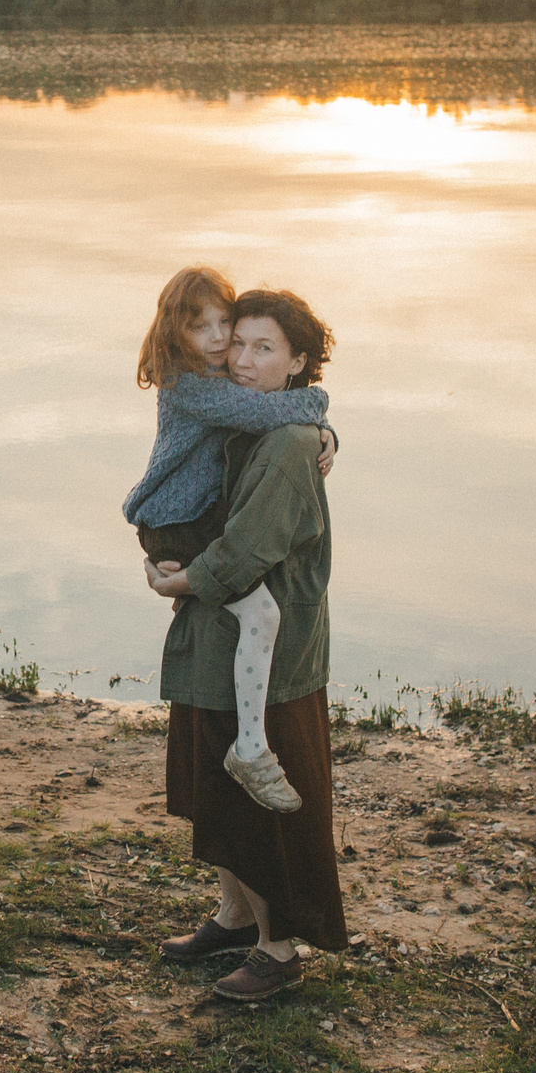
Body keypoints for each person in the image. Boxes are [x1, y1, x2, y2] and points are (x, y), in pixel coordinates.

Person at [146, 288, 350, 1002]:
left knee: (256, 807)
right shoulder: (241, 417)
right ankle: (235, 916)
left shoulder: (291, 443)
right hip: (220, 635)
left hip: (270, 654)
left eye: (264, 347)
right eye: (238, 341)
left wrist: (176, 581)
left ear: (297, 363)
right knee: (214, 785)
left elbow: (246, 551)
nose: (241, 357)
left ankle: (278, 947)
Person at [123, 265, 336, 813]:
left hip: (193, 516)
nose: (221, 341)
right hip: (178, 521)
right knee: (261, 614)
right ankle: (251, 747)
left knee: (253, 614)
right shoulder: (188, 383)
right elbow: (259, 411)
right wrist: (319, 409)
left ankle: (249, 745)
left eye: (227, 325)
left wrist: (325, 432)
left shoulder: (215, 375)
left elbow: (262, 415)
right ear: (175, 332)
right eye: (203, 328)